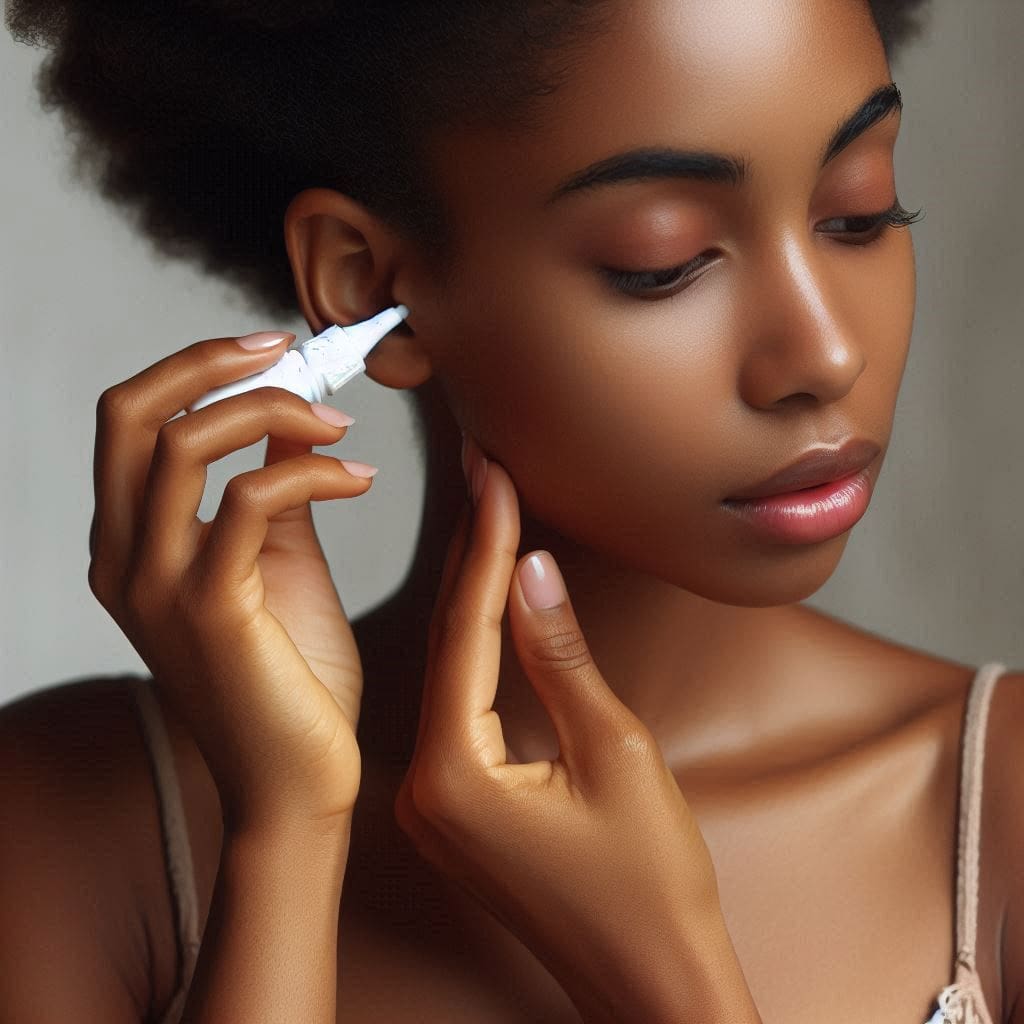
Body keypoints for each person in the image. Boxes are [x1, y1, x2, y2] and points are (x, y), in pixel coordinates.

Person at [1, 1, 1020, 1022]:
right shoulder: (71, 825)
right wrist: (285, 833)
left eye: (857, 212)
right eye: (660, 262)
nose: (824, 352)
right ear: (363, 288)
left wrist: (669, 980)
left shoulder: (998, 807)